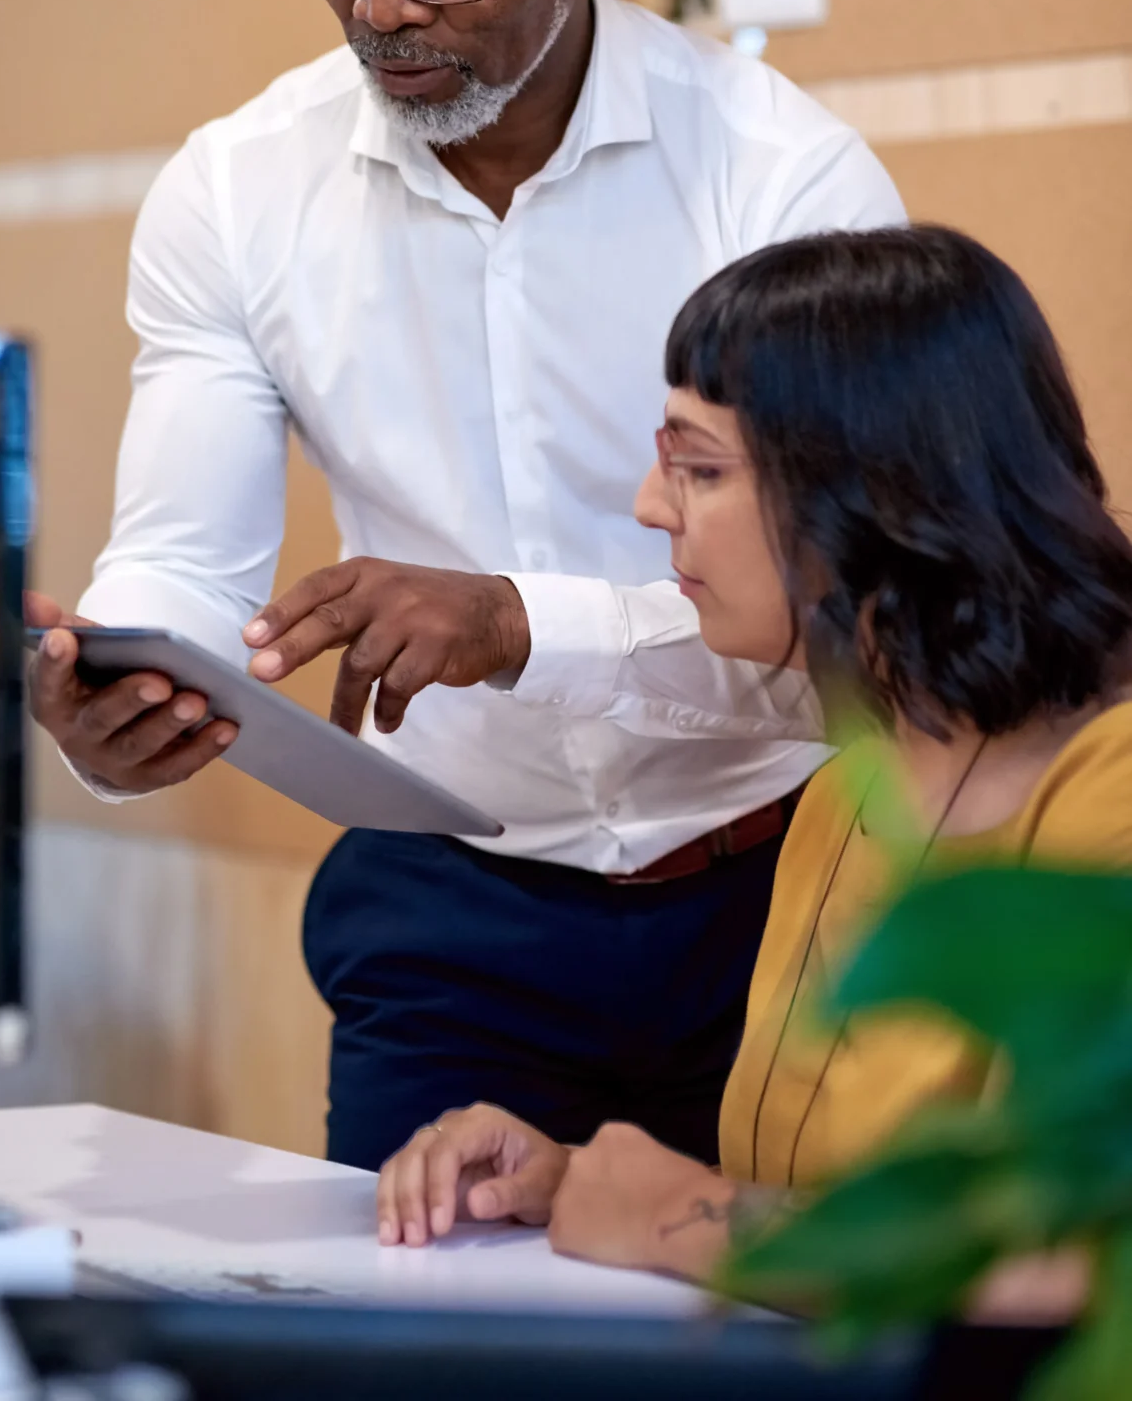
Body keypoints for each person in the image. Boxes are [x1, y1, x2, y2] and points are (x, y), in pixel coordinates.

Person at [27, 0, 903, 1172]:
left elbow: (845, 645)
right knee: (402, 1337)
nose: (378, 11)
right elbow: (182, 562)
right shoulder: (237, 193)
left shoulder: (783, 188)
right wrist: (115, 696)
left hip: (779, 895)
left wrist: (516, 625)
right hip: (449, 902)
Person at [372, 225, 1132, 1299]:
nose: (649, 504)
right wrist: (570, 1181)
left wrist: (676, 1216)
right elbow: (797, 1193)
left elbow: (1063, 1267)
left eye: (699, 466)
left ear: (879, 492)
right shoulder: (841, 790)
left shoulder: (1107, 789)